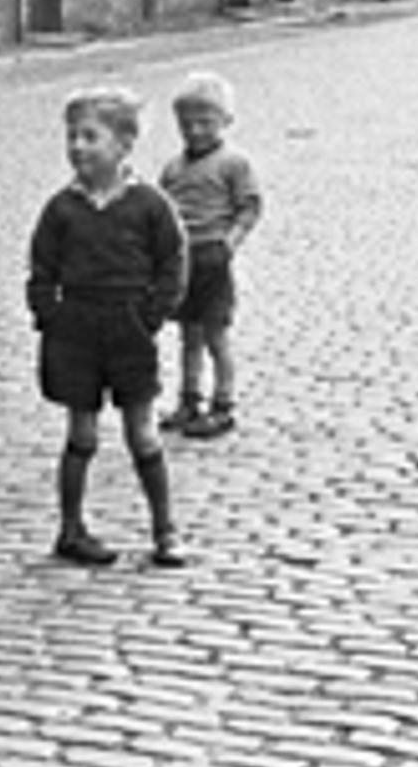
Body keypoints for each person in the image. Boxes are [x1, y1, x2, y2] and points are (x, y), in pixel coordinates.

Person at [27, 87, 190, 567]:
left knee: (142, 431)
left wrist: (150, 317)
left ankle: (165, 530)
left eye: (90, 137)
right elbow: (41, 271)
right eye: (71, 136)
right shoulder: (61, 210)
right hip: (75, 331)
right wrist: (50, 317)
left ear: (123, 144)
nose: (78, 146)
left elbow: (172, 264)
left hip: (127, 330)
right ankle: (71, 529)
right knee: (82, 433)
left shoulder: (149, 206)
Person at [156, 69, 264, 437]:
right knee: (189, 335)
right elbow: (163, 213)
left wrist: (229, 242)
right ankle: (189, 399)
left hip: (213, 258)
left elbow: (249, 206)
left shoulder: (234, 164)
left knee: (216, 334)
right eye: (187, 123)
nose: (196, 130)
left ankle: (224, 402)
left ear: (225, 121)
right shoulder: (173, 168)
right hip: (184, 259)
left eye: (205, 122)